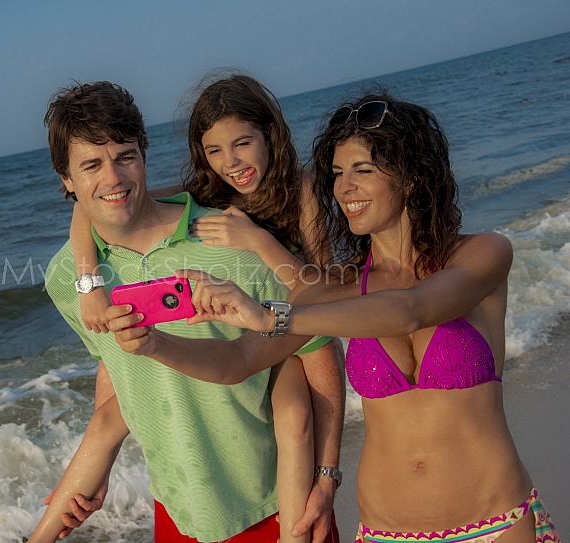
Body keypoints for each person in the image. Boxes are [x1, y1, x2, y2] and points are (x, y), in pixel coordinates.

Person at [107, 92, 561, 543]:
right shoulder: (339, 287)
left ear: (412, 176)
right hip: (386, 531)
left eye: (362, 170)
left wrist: (270, 316)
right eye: (338, 174)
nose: (345, 188)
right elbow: (238, 359)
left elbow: (411, 309)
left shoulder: (482, 254)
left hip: (497, 523)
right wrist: (155, 345)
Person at [29, 80, 346, 543]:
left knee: (292, 408)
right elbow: (112, 364)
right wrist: (100, 462)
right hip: (178, 508)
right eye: (91, 165)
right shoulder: (68, 279)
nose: (113, 177)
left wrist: (326, 476)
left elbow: (320, 340)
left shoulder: (236, 242)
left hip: (273, 502)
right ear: (66, 178)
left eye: (125, 157)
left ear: (144, 154)